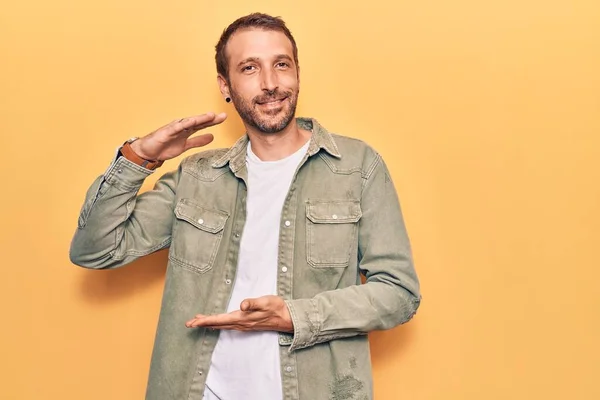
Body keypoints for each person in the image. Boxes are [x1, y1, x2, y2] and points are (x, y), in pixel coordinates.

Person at [69, 12, 421, 400]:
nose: (271, 84)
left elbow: (399, 292)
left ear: (298, 73)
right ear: (225, 85)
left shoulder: (357, 167)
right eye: (250, 68)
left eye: (281, 65)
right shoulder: (198, 177)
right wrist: (138, 158)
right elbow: (95, 250)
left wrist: (294, 315)